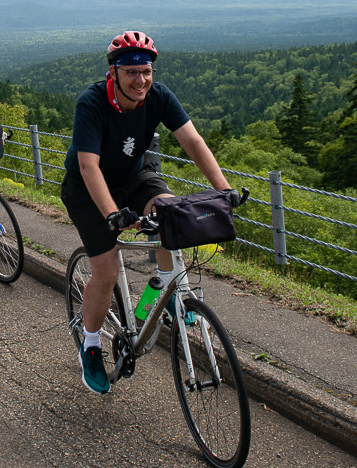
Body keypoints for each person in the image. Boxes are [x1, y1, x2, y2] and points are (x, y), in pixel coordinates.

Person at [61, 31, 234, 394]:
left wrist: (224, 189)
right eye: (131, 73)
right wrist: (112, 214)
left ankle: (169, 289)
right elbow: (89, 167)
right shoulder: (92, 102)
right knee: (106, 271)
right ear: (114, 74)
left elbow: (193, 141)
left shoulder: (158, 96)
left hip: (134, 177)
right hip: (87, 188)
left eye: (146, 71)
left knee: (170, 213)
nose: (141, 80)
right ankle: (91, 346)